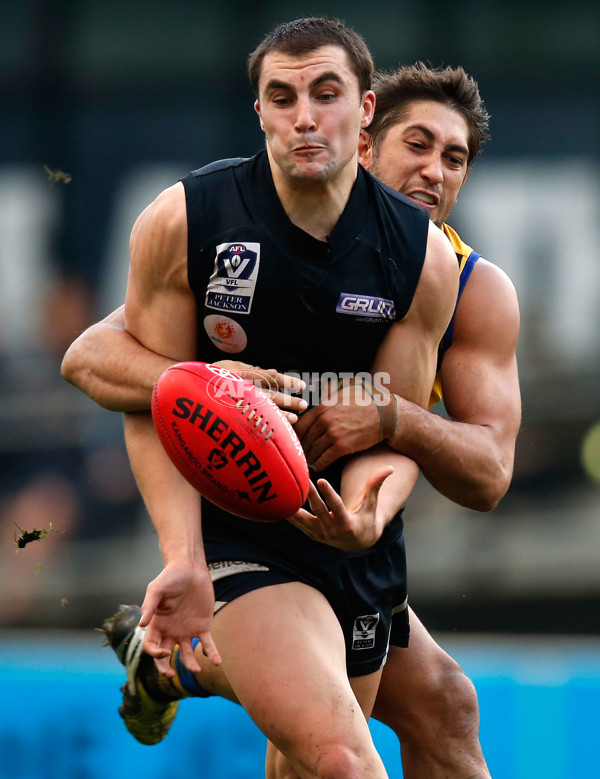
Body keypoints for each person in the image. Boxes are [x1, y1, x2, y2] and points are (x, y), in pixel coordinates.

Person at [63, 62, 520, 778]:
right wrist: (207, 376)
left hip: (353, 536)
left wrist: (393, 416)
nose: (434, 171)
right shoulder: (274, 238)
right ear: (362, 145)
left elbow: (490, 472)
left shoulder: (465, 286)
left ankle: (175, 664)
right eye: (418, 146)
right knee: (351, 742)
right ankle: (183, 654)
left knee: (439, 709)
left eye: (454, 158)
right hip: (246, 533)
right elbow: (93, 354)